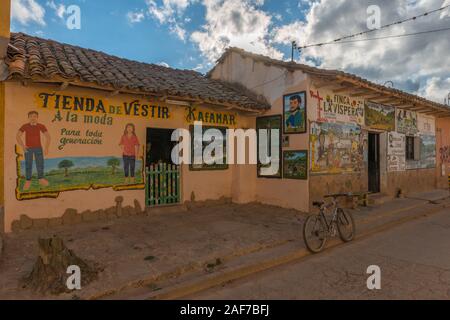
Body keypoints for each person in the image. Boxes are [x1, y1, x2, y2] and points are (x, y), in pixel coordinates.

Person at [16, 111, 51, 191]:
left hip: (38, 148)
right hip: (28, 148)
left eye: (35, 116)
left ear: (37, 117)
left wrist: (46, 148)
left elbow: (48, 137)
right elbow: (17, 136)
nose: (33, 118)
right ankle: (28, 180)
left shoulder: (41, 126)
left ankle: (41, 179)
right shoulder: (25, 126)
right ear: (28, 117)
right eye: (31, 116)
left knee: (40, 163)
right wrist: (23, 146)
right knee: (28, 164)